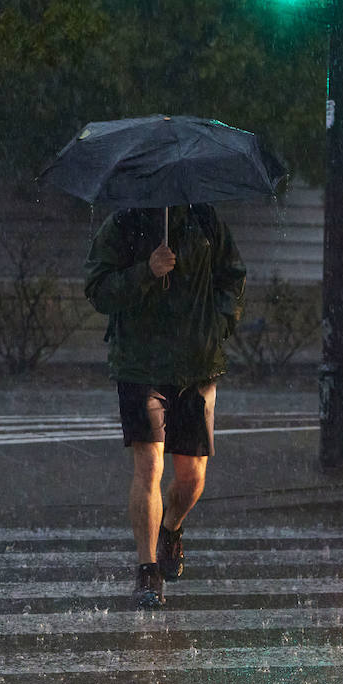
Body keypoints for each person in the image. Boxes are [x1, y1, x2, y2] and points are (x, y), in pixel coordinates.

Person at [83, 203, 246, 609]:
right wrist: (146, 271)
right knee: (150, 466)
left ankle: (170, 527)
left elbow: (233, 278)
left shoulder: (206, 219)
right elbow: (98, 289)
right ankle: (147, 569)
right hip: (140, 364)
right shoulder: (122, 222)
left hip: (197, 364)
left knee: (191, 479)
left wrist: (219, 324)